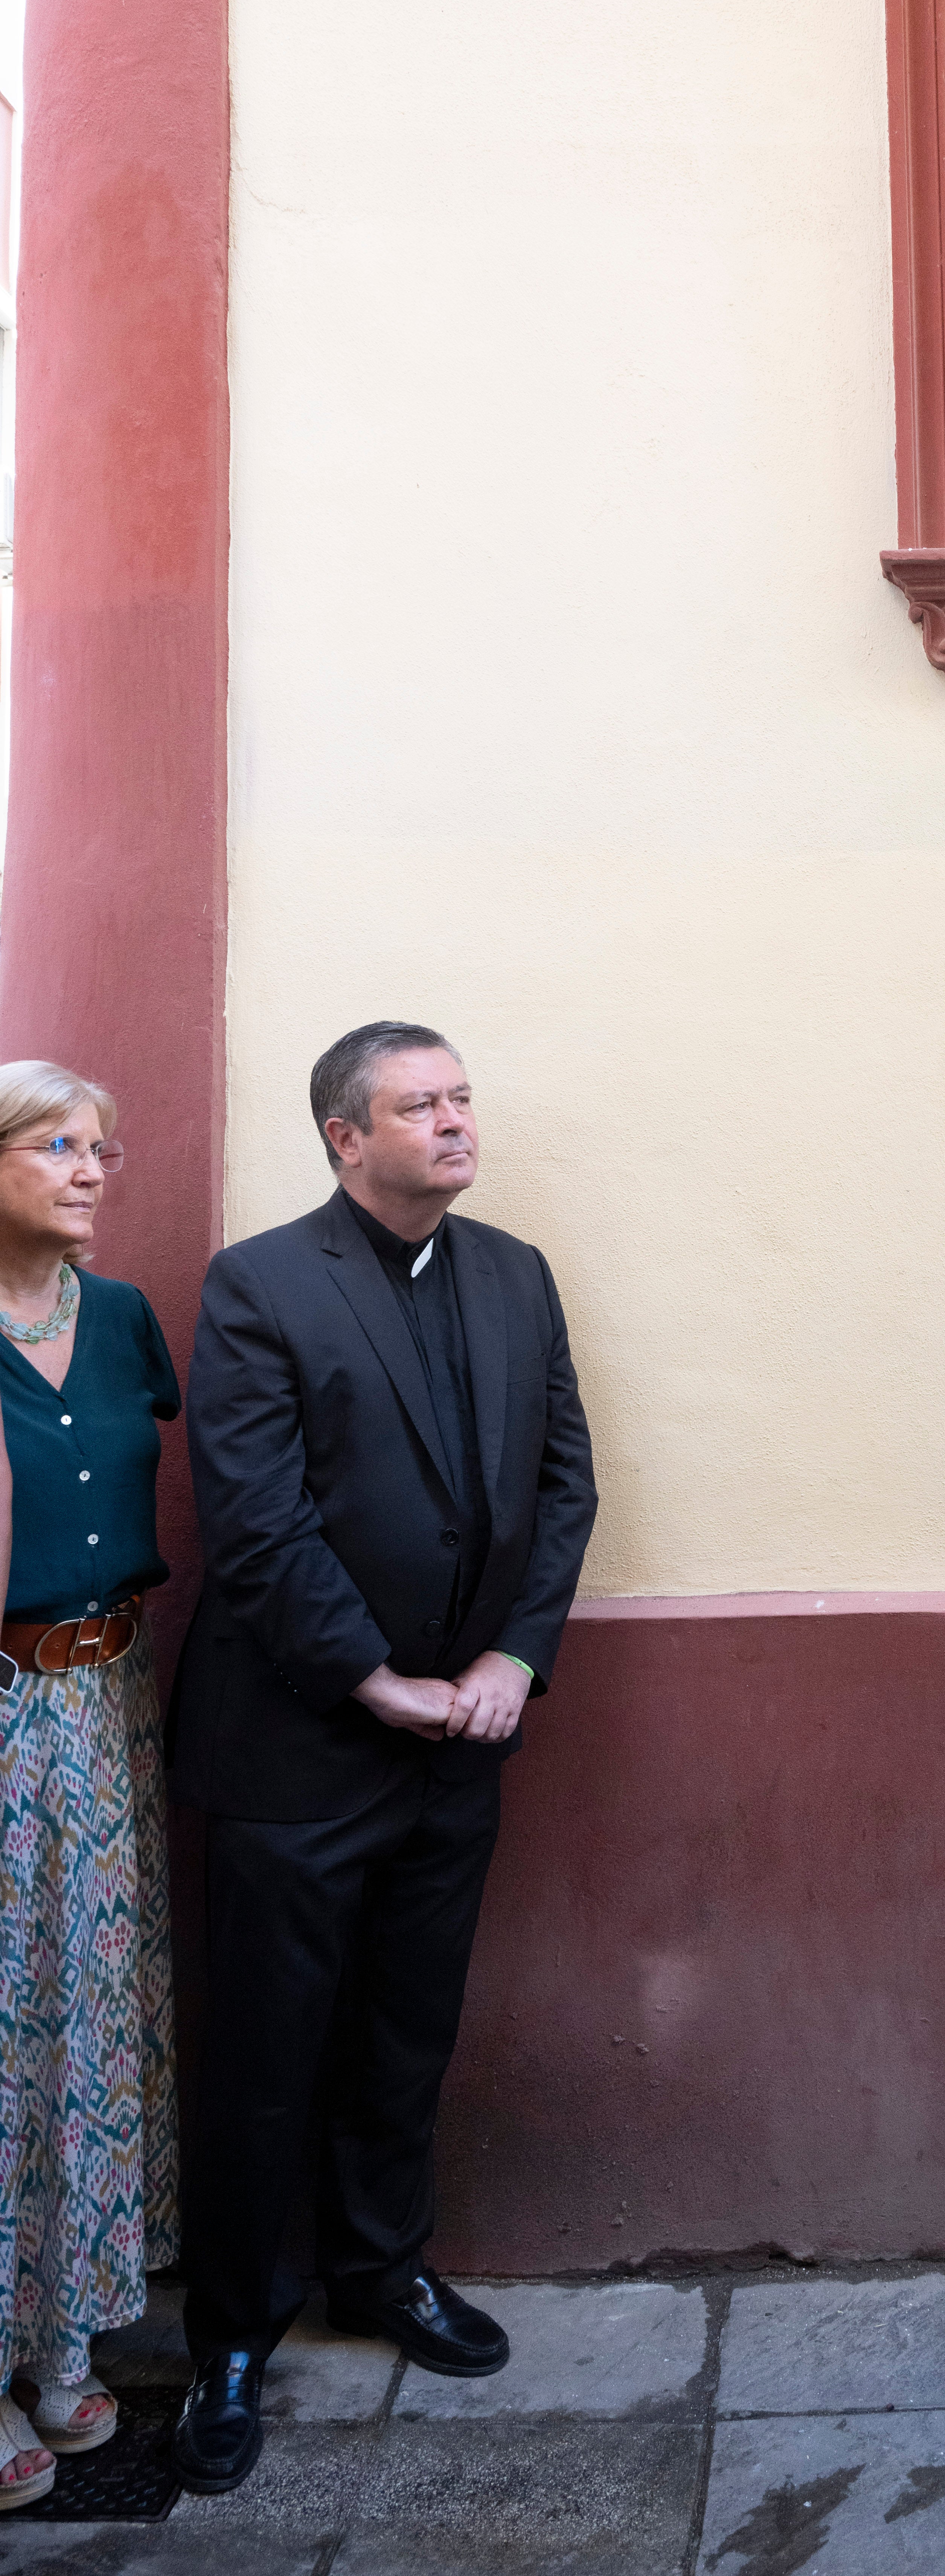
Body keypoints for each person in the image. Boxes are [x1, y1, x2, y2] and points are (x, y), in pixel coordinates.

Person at [167, 1023, 597, 2495]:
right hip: (298, 1744)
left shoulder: (515, 1275)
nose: (457, 1122)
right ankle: (229, 2334)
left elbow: (563, 1487)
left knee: (408, 2027)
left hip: (460, 1742)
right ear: (345, 1138)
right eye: (420, 1106)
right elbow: (256, 1519)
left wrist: (506, 1663)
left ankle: (381, 2270)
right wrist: (372, 1678)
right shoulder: (263, 1285)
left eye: (464, 1097)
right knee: (268, 2048)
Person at [0, 1067, 181, 2507]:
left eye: (102, 1150)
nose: (92, 1171)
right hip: (1, 1710)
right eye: (58, 1147)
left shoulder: (120, 1322)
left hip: (109, 1704)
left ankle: (60, 2341)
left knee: (85, 2024)